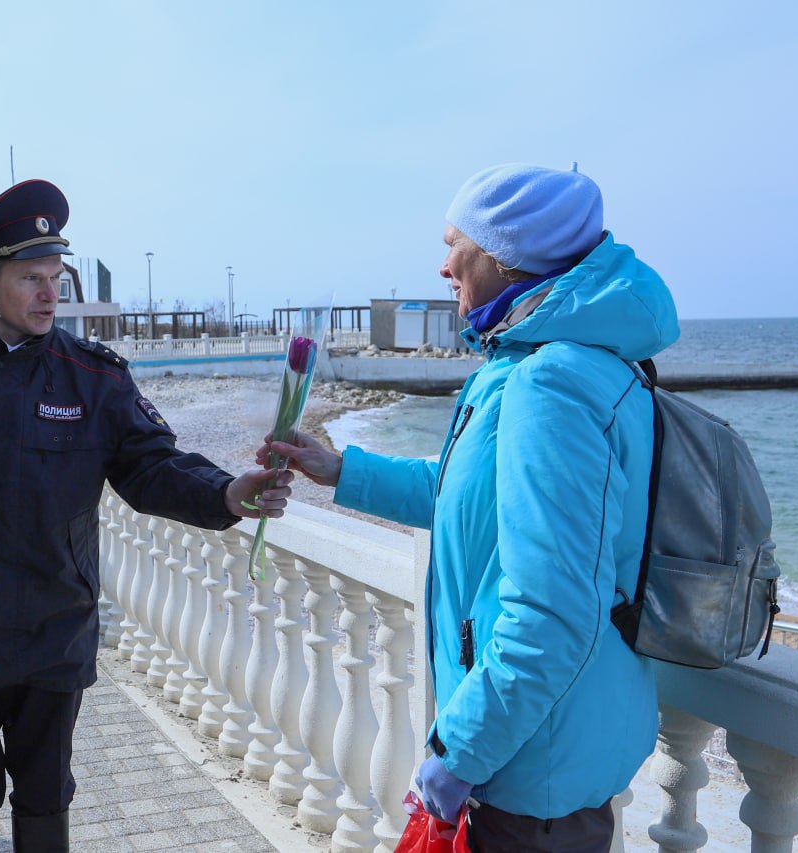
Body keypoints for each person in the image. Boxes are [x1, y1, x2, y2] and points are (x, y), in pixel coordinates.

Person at [0, 179, 293, 853]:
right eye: (31, 277)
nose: (48, 294)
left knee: (45, 796)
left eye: (55, 278)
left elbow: (153, 467)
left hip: (52, 634)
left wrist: (227, 492)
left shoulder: (95, 379)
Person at [261, 163, 678, 852]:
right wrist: (338, 469)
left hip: (524, 776)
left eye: (457, 243)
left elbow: (552, 616)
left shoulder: (551, 383)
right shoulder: (552, 364)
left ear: (505, 256)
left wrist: (456, 756)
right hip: (546, 757)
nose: (444, 262)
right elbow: (468, 495)